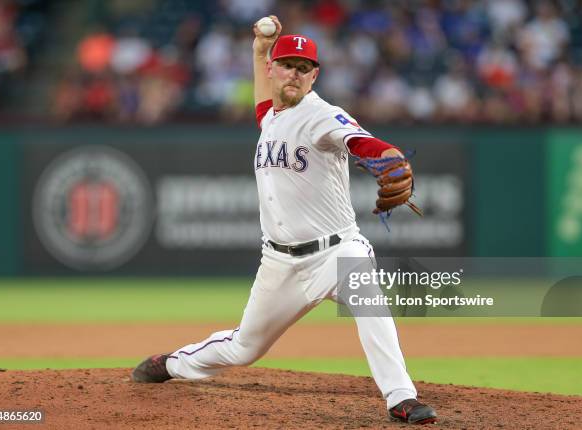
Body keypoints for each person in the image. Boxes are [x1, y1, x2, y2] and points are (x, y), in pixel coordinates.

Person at [131, 16, 437, 425]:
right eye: (287, 64)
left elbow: (360, 140)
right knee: (244, 348)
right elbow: (264, 102)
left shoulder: (322, 115)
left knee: (369, 299)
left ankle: (401, 396)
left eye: (303, 67)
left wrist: (385, 155)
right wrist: (259, 49)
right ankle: (170, 364)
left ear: (314, 76)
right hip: (280, 263)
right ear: (273, 70)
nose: (294, 73)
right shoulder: (269, 117)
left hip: (338, 250)